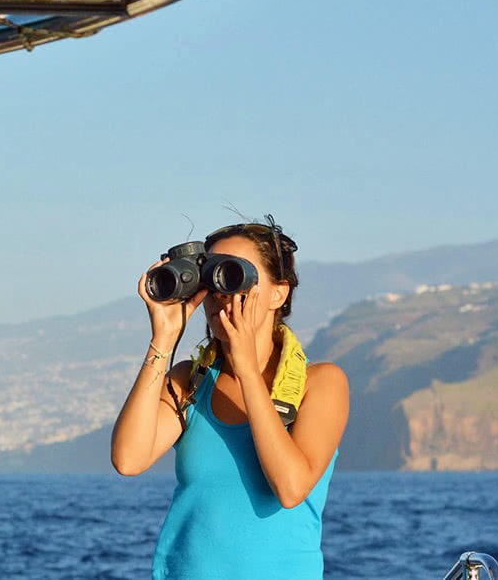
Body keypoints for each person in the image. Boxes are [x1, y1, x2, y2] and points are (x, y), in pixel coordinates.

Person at [111, 217, 349, 579]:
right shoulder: (190, 382)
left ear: (278, 293)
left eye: (235, 277)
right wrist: (164, 337)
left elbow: (290, 488)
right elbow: (128, 459)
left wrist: (249, 371)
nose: (223, 296)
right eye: (212, 280)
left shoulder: (321, 383)